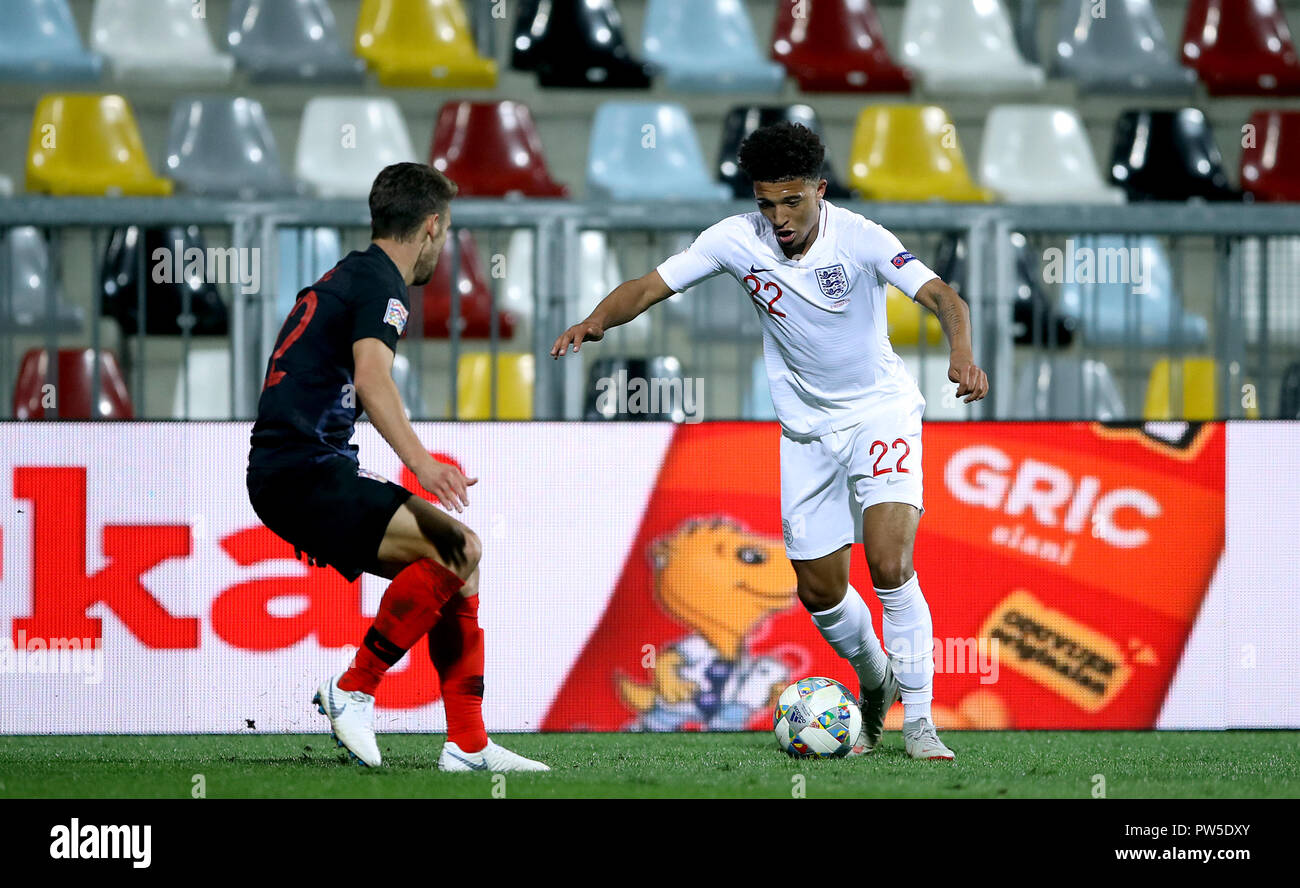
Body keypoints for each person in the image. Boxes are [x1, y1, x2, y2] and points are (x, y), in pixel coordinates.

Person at [552, 123, 989, 760]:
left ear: (819, 189)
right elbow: (650, 285)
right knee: (819, 591)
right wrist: (595, 321)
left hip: (880, 415)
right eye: (766, 204)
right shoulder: (734, 239)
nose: (779, 219)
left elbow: (942, 295)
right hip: (805, 431)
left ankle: (919, 721)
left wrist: (963, 355)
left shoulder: (862, 239)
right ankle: (876, 681)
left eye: (792, 202)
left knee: (890, 567)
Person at [247, 162, 547, 772]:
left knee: (459, 567)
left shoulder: (353, 275)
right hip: (303, 469)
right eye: (448, 228)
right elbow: (372, 379)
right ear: (433, 226)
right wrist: (423, 463)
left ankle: (466, 745)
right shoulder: (381, 284)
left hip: (291, 469)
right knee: (460, 546)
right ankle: (353, 689)